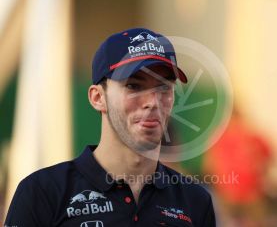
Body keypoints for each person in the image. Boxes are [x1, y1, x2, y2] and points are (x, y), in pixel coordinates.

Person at [5, 28, 216, 226]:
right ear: (98, 97)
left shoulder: (195, 201)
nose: (153, 101)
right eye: (134, 86)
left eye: (163, 87)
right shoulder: (42, 192)